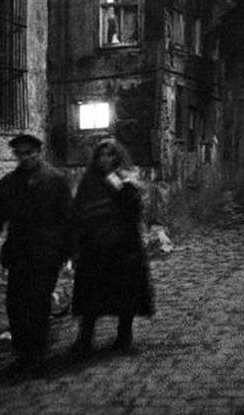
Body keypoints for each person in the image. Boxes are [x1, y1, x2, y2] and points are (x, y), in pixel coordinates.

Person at [0, 133, 72, 375]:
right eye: (20, 153)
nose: (26, 157)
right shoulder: (8, 184)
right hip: (18, 252)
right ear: (15, 155)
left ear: (39, 152)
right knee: (15, 303)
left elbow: (68, 219)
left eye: (30, 152)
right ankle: (22, 351)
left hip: (47, 252)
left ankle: (36, 354)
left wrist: (71, 251)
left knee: (38, 302)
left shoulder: (56, 181)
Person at [69, 138, 154, 357]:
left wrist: (119, 185)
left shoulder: (126, 178)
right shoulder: (89, 181)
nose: (105, 159)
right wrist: (76, 244)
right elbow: (79, 211)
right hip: (94, 247)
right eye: (100, 155)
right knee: (90, 295)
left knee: (125, 293)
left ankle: (124, 336)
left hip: (122, 247)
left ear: (117, 157)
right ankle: (84, 339)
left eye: (110, 155)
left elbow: (133, 209)